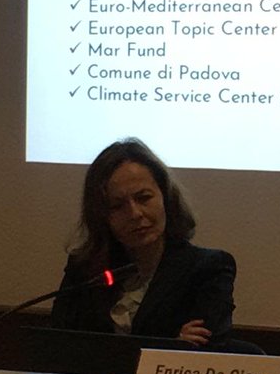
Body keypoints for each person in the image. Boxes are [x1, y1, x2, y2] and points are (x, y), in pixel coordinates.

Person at [50, 138, 235, 346]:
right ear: (101, 215)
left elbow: (205, 351)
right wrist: (170, 343)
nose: (135, 214)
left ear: (165, 196)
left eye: (144, 198)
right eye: (117, 206)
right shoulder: (85, 271)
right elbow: (60, 346)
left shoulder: (208, 269)